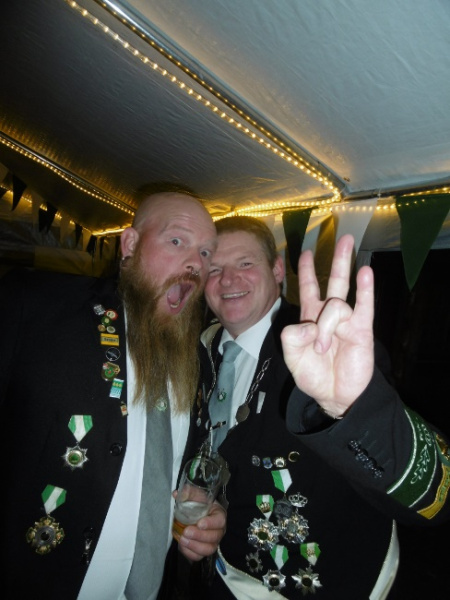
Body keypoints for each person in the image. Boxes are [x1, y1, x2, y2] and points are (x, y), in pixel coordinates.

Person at [192, 215, 450, 599]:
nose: (228, 279)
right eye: (215, 269)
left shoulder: (324, 345)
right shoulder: (202, 351)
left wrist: (351, 409)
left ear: (276, 269)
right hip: (229, 578)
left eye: (245, 263)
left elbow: (437, 500)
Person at [0, 191, 226, 599]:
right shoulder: (38, 307)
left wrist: (207, 514)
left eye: (206, 252)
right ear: (130, 244)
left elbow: (180, 467)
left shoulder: (199, 362)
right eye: (177, 241)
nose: (196, 262)